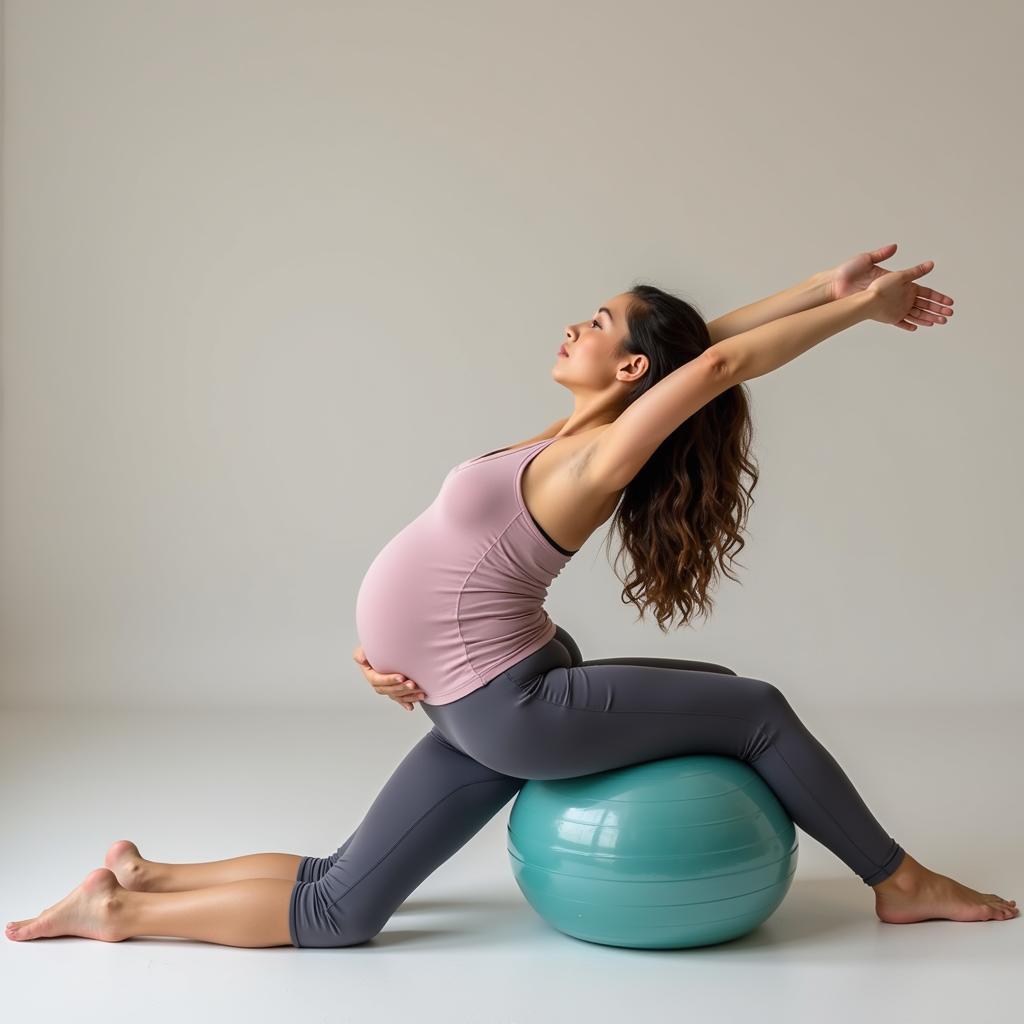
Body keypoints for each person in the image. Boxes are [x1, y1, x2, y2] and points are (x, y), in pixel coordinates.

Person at [7, 245, 1015, 948]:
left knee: (739, 700)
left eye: (601, 320)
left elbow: (712, 362)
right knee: (338, 901)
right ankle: (141, 887)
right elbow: (703, 347)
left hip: (504, 701)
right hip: (491, 704)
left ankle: (901, 881)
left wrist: (856, 313)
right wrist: (818, 285)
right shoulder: (567, 436)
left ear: (626, 369)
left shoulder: (606, 454)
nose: (576, 320)